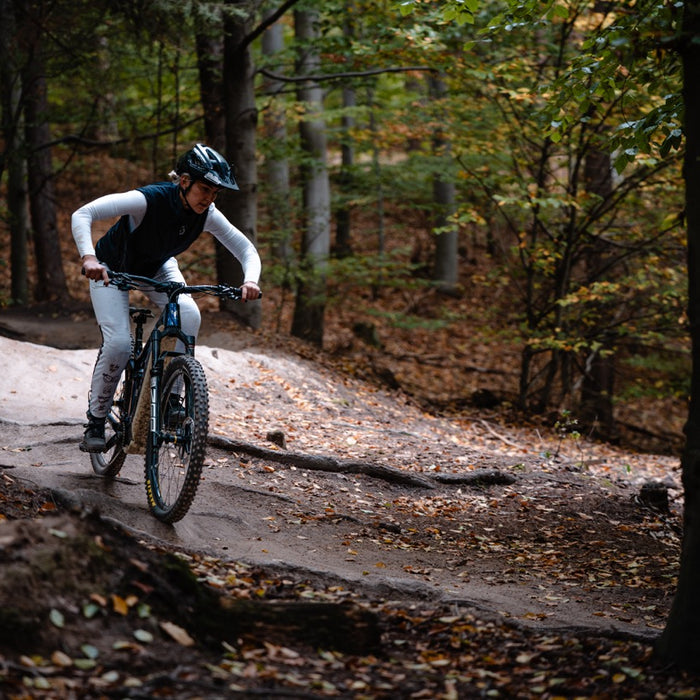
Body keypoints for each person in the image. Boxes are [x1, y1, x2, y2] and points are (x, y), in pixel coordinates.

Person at [72, 143, 262, 453]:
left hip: (157, 267)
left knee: (189, 315)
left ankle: (172, 398)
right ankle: (96, 420)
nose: (209, 198)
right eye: (204, 189)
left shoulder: (207, 213)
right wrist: (88, 258)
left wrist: (250, 280)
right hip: (111, 268)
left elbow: (246, 250)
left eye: (215, 193)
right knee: (119, 343)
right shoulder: (148, 199)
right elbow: (84, 213)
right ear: (184, 181)